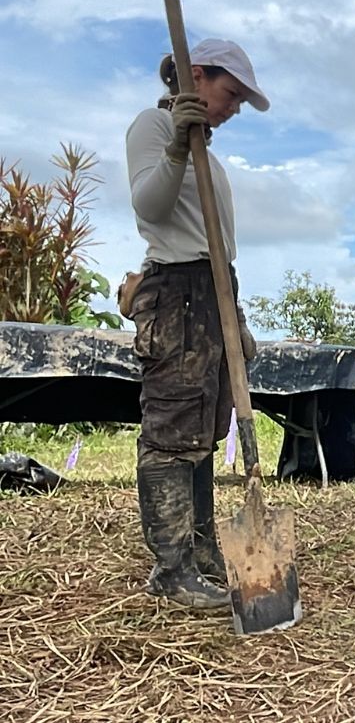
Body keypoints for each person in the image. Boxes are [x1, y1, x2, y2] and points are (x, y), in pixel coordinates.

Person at [124, 38, 269, 608]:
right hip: (177, 293)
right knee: (173, 432)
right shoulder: (152, 129)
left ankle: (203, 549)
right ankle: (171, 569)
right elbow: (149, 208)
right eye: (229, 95)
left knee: (206, 430)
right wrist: (178, 150)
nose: (232, 110)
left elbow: (217, 247)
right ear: (196, 76)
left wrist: (233, 317)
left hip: (213, 293)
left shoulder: (211, 160)